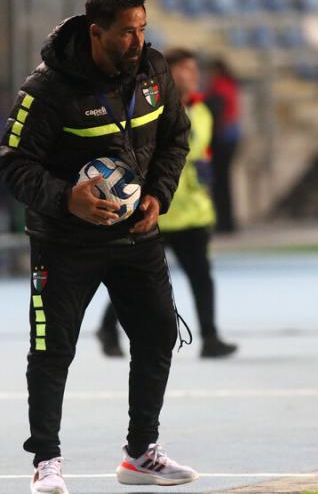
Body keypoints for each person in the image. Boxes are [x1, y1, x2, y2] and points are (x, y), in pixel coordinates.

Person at [0, 0, 199, 494]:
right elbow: (13, 163)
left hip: (137, 238)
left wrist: (158, 196)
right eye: (127, 32)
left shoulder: (154, 72)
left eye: (142, 29)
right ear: (96, 32)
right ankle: (46, 462)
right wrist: (68, 198)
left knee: (158, 334)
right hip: (64, 243)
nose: (138, 41)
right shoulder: (46, 88)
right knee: (52, 349)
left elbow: (176, 137)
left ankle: (141, 454)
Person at [97, 48, 237, 359]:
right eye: (186, 69)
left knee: (201, 276)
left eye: (195, 69)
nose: (194, 75)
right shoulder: (149, 113)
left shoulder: (202, 112)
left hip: (193, 211)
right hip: (155, 210)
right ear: (168, 74)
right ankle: (108, 327)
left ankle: (210, 337)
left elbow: (200, 158)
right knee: (137, 279)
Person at [205, 58, 241, 234]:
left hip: (222, 139)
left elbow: (216, 112)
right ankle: (227, 221)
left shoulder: (219, 86)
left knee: (220, 183)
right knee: (223, 182)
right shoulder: (229, 85)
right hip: (230, 137)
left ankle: (224, 221)